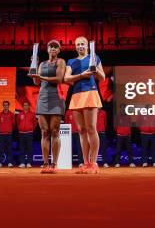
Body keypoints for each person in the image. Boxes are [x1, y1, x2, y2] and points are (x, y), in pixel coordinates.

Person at [63, 36, 105, 174]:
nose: (80, 46)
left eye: (83, 44)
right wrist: (81, 75)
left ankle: (93, 163)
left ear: (87, 46)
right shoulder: (71, 61)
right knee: (81, 131)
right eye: (78, 44)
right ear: (75, 47)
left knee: (91, 128)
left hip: (90, 94)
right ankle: (86, 162)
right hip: (76, 96)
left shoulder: (94, 57)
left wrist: (94, 69)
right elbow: (66, 78)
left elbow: (102, 77)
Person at [29, 39, 65, 173]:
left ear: (59, 50)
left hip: (55, 97)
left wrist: (40, 76)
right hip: (42, 98)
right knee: (44, 132)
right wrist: (34, 63)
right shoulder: (42, 63)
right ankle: (45, 163)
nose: (53, 49)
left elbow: (59, 79)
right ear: (47, 49)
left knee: (55, 131)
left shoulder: (60, 62)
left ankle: (54, 164)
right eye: (51, 47)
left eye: (56, 47)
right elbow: (36, 81)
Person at [17, 102, 37, 168]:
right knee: (22, 148)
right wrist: (20, 128)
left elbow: (35, 123)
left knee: (29, 148)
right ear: (22, 106)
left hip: (29, 133)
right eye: (24, 105)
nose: (25, 106)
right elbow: (18, 123)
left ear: (29, 106)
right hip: (22, 133)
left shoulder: (32, 114)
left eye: (27, 105)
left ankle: (29, 163)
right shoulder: (20, 114)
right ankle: (22, 162)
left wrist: (31, 129)